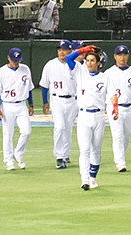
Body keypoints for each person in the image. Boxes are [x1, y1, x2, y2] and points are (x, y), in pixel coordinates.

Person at [71, 47, 118, 191]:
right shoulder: (80, 73)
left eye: (92, 61)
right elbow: (69, 59)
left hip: (98, 115)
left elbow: (113, 95)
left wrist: (115, 107)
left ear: (98, 63)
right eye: (87, 60)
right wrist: (84, 50)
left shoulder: (105, 77)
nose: (89, 63)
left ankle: (92, 177)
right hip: (83, 115)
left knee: (95, 149)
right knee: (84, 149)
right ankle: (84, 179)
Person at [104, 45, 131, 173]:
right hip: (114, 107)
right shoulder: (108, 73)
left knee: (126, 136)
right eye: (119, 55)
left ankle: (120, 157)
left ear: (128, 56)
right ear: (115, 56)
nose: (122, 57)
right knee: (117, 135)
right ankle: (120, 163)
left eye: (124, 54)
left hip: (130, 107)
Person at [0, 48, 34, 171]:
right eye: (14, 60)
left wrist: (31, 104)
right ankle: (8, 160)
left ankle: (18, 154)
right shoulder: (1, 72)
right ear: (8, 58)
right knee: (8, 133)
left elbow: (29, 88)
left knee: (26, 131)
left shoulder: (25, 69)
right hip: (7, 105)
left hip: (21, 104)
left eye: (18, 60)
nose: (16, 62)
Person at [39, 40, 79, 169]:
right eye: (60, 49)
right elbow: (44, 85)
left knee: (68, 128)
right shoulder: (50, 65)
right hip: (56, 99)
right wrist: (45, 102)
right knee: (59, 127)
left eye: (64, 49)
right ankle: (59, 156)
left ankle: (65, 154)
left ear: (70, 51)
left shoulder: (75, 65)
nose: (61, 52)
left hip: (72, 100)